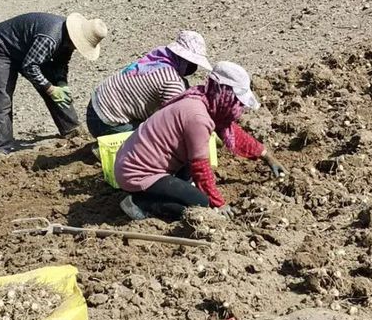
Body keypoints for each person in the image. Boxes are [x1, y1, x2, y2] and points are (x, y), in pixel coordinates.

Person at [114, 61, 286, 221]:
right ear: (223, 93)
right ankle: (140, 203)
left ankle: (171, 190)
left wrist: (266, 156)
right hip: (137, 172)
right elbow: (200, 166)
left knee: (195, 189)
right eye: (236, 101)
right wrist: (218, 203)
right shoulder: (198, 117)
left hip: (141, 160)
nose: (238, 108)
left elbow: (233, 132)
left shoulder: (205, 100)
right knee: (201, 205)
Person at [0, 11, 108, 157]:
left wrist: (61, 83)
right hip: (1, 47)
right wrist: (50, 89)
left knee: (55, 86)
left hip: (28, 49)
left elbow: (61, 63)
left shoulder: (67, 40)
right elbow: (30, 66)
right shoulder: (50, 38)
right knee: (2, 97)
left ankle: (71, 129)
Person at [86, 31, 211, 138]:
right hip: (105, 122)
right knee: (155, 138)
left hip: (95, 105)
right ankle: (108, 146)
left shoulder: (157, 57)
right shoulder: (171, 81)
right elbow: (175, 120)